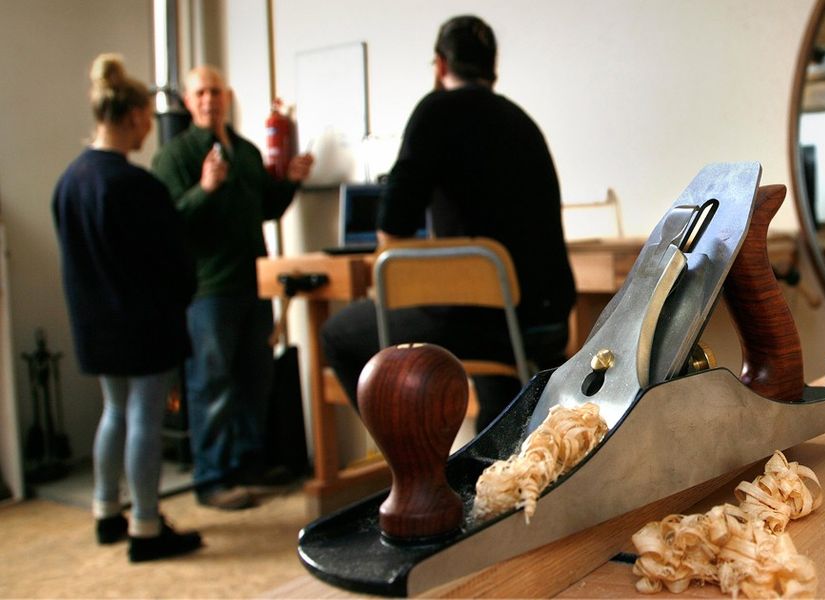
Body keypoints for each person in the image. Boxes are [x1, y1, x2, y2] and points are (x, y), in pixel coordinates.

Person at [321, 15, 575, 432]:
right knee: (495, 363)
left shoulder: (435, 111)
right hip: (543, 320)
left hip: (485, 319)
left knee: (339, 336)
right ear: (492, 66)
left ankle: (417, 467)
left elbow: (391, 232)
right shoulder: (522, 121)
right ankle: (489, 472)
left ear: (440, 65)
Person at [52, 53, 201, 562]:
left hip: (95, 325)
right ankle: (146, 525)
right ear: (137, 116)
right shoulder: (134, 186)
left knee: (113, 411)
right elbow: (173, 263)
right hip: (142, 325)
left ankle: (106, 512)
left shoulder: (69, 182)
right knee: (144, 417)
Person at [152, 66, 314, 510]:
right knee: (212, 384)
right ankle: (213, 478)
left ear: (227, 97)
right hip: (209, 290)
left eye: (216, 91)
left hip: (254, 283)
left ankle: (248, 467)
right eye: (201, 92)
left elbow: (266, 206)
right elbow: (169, 223)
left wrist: (292, 181)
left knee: (254, 379)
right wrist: (204, 189)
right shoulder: (175, 156)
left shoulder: (243, 151)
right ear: (188, 101)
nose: (209, 99)